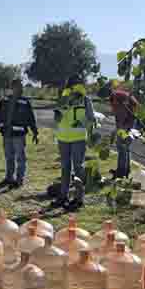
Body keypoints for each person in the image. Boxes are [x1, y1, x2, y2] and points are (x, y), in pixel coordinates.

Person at [54, 75, 96, 209]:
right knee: (65, 168)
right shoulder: (63, 98)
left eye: (79, 85)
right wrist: (62, 108)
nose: (76, 87)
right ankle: (63, 196)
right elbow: (57, 118)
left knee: (78, 168)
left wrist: (86, 131)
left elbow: (91, 119)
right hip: (63, 138)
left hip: (78, 139)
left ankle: (78, 198)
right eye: (73, 85)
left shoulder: (85, 100)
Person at [0, 79, 38, 187]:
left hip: (19, 135)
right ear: (12, 88)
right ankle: (9, 178)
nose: (20, 89)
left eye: (21, 87)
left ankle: (19, 180)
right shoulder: (4, 101)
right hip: (7, 134)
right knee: (9, 157)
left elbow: (31, 118)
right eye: (17, 86)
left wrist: (35, 132)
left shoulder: (25, 102)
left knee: (20, 158)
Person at [109, 87, 138, 179]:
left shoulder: (118, 100)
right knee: (125, 148)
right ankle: (126, 170)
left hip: (127, 125)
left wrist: (120, 129)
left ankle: (121, 172)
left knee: (121, 147)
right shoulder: (120, 98)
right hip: (129, 123)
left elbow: (121, 116)